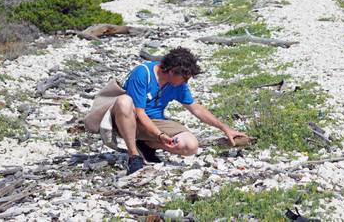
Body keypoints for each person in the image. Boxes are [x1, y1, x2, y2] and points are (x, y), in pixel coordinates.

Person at [103, 47, 248, 174]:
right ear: (172, 71)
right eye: (184, 78)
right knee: (124, 102)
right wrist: (159, 135)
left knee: (190, 146)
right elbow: (140, 113)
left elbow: (195, 108)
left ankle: (146, 144)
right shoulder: (143, 73)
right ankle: (134, 156)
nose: (186, 82)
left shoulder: (177, 84)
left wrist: (224, 128)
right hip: (128, 120)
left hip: (155, 121)